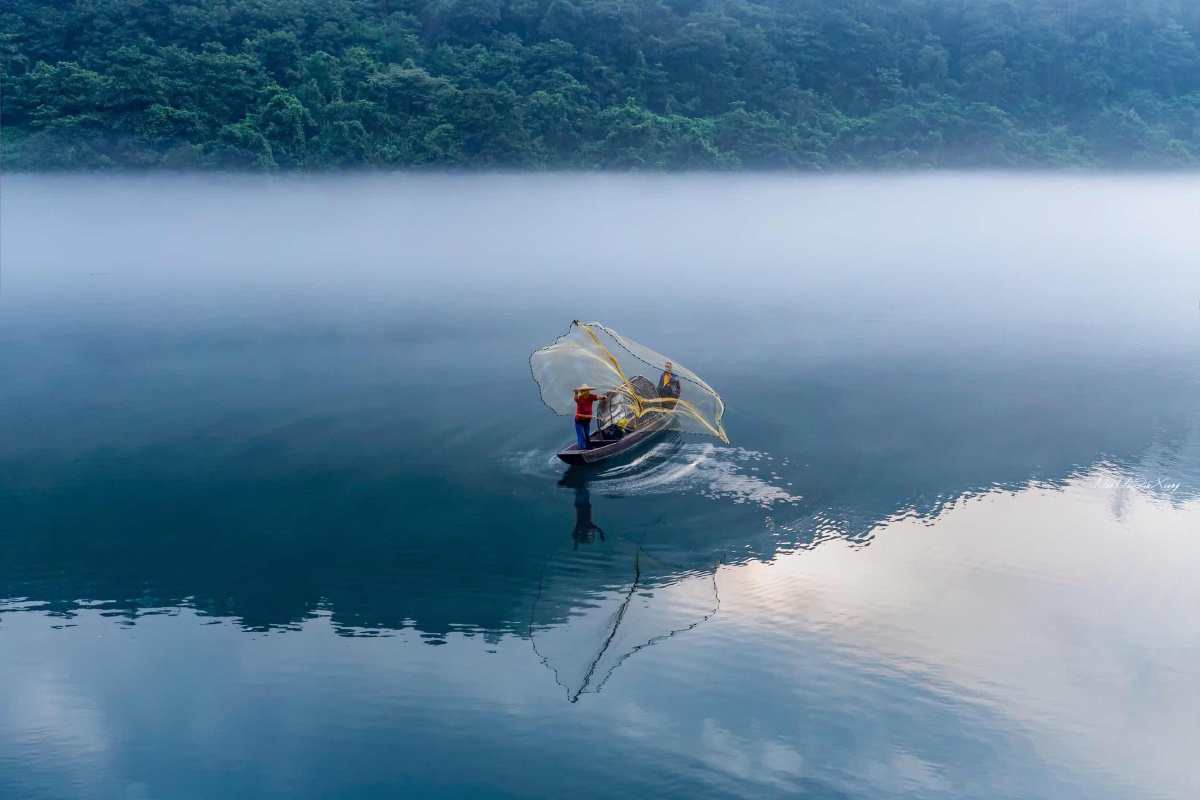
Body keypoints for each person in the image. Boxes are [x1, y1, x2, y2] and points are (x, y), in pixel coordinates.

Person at [573, 384, 604, 450]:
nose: (585, 393)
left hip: (587, 420)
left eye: (586, 391)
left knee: (587, 434)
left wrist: (603, 397)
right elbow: (576, 399)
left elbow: (598, 397)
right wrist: (576, 393)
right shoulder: (579, 398)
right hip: (579, 420)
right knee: (581, 435)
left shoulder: (591, 396)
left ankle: (589, 447)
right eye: (584, 391)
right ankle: (582, 450)